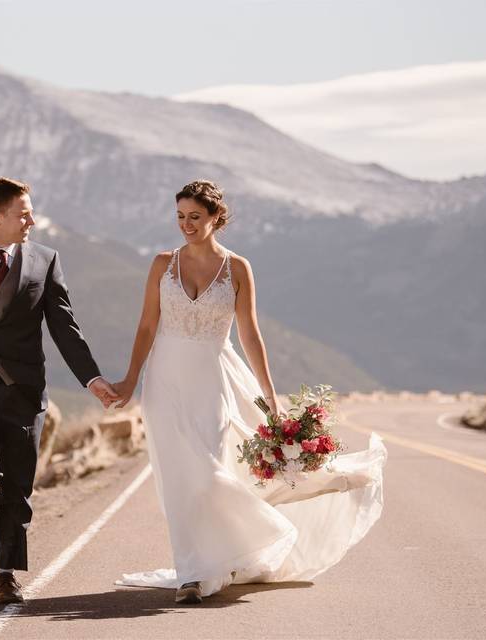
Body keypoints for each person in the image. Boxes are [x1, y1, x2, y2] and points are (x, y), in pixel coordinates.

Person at [112, 180, 387, 604]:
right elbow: (147, 325)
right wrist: (130, 380)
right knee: (180, 480)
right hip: (163, 380)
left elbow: (249, 334)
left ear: (216, 218)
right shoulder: (162, 264)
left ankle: (241, 545)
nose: (186, 225)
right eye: (180, 216)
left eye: (195, 217)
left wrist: (271, 397)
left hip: (213, 380)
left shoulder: (237, 268)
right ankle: (192, 571)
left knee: (208, 474)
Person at [0, 177, 119, 604]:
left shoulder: (45, 261)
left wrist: (92, 378)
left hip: (24, 391)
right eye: (23, 213)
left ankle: (7, 572)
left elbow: (65, 326)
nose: (32, 219)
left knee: (17, 483)